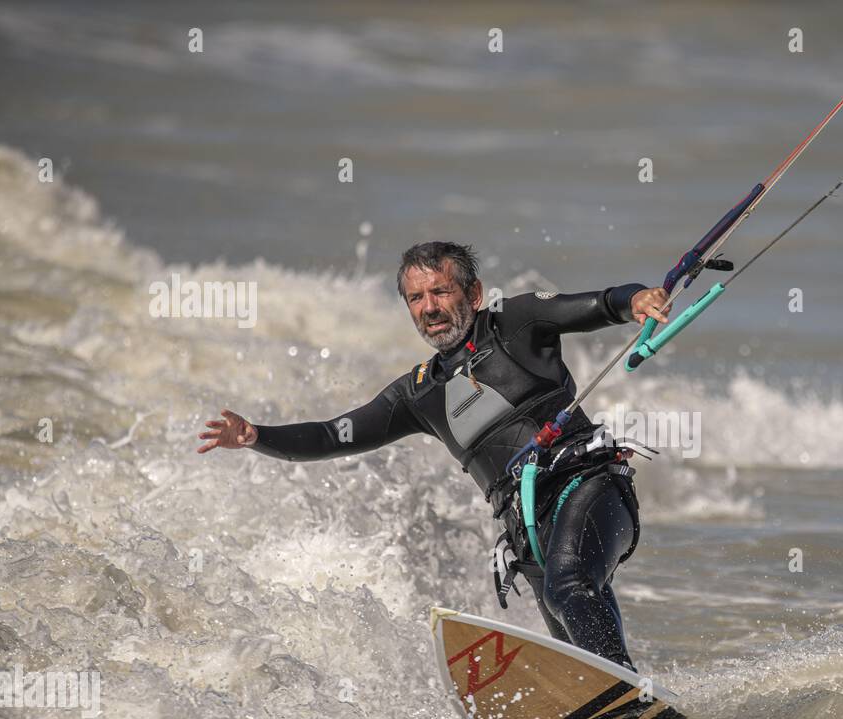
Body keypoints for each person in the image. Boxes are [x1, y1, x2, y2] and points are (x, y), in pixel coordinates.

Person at [197, 241, 671, 670]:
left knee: (568, 587)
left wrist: (635, 301)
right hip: (528, 530)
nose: (429, 308)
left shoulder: (515, 324)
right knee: (571, 624)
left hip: (590, 488)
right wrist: (257, 435)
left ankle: (625, 702)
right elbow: (332, 435)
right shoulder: (418, 394)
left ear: (474, 294)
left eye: (441, 292)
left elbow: (596, 305)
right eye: (416, 299)